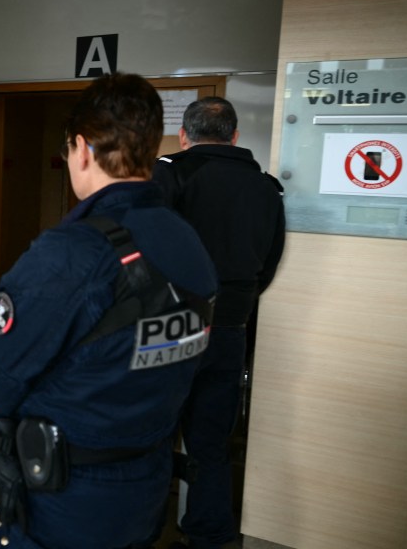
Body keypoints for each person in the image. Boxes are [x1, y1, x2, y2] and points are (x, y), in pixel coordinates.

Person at [0, 73, 219, 549]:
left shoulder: (70, 252)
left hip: (67, 493)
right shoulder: (187, 241)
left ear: (82, 149)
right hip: (147, 479)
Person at [152, 96, 285, 549]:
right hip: (230, 327)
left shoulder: (169, 173)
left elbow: (144, 248)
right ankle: (209, 534)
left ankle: (142, 527)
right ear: (235, 136)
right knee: (211, 442)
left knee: (153, 434)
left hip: (168, 326)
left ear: (185, 135)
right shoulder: (267, 188)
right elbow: (268, 263)